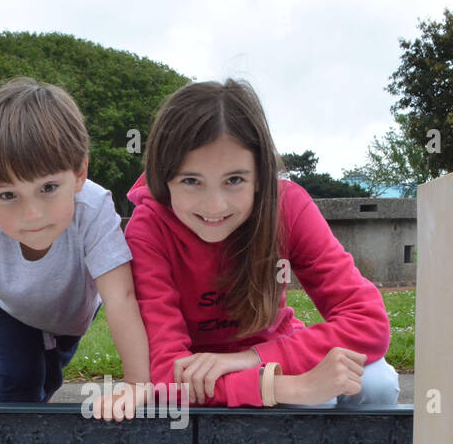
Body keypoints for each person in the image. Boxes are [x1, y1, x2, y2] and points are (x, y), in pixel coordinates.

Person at [124, 79, 399, 409]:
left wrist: (252, 359)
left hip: (272, 354)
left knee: (377, 384)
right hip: (199, 378)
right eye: (191, 181)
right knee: (310, 403)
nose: (215, 205)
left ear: (260, 176)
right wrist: (283, 389)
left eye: (235, 180)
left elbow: (368, 322)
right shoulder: (149, 228)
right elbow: (167, 376)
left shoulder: (287, 207)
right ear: (163, 178)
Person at [0, 78, 150, 423]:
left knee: (48, 380)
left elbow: (121, 296)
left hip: (68, 313)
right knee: (21, 381)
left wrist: (136, 382)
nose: (32, 215)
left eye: (48, 188)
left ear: (80, 173)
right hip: (6, 303)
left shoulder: (93, 208)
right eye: (8, 195)